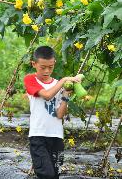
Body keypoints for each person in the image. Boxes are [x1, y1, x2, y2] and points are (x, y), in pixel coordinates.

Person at [23, 46, 81, 179]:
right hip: (38, 136)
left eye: (50, 67)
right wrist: (64, 80)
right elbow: (47, 95)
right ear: (34, 64)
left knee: (55, 175)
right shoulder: (30, 80)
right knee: (46, 174)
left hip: (56, 136)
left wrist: (65, 95)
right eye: (43, 67)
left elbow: (60, 115)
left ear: (54, 63)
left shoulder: (57, 85)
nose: (47, 71)